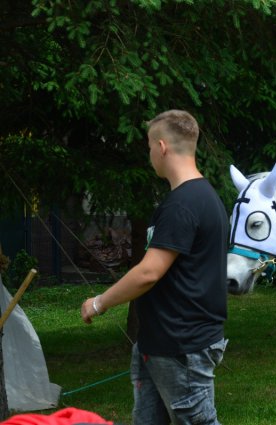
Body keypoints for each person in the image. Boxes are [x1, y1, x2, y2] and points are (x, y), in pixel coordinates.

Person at [81, 110, 229, 424]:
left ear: (161, 147)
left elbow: (149, 272)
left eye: (149, 145)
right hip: (159, 342)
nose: (149, 153)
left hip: (182, 346)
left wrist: (99, 302)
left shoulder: (183, 204)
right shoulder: (202, 198)